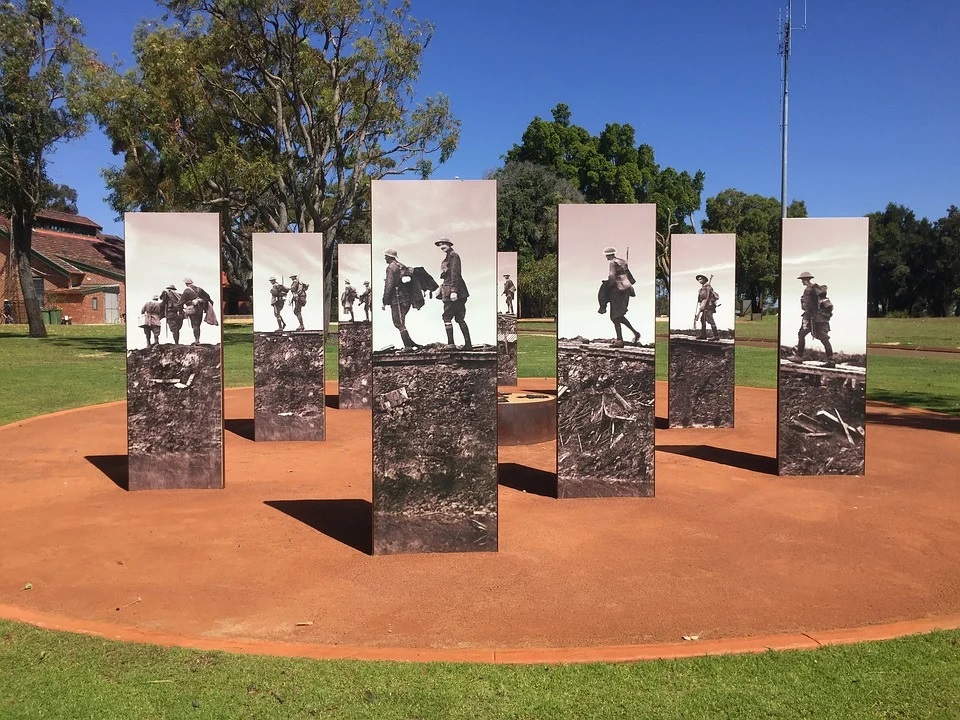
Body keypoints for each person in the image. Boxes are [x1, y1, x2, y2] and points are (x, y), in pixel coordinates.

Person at [789, 271, 835, 368]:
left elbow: (808, 307)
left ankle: (799, 357)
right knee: (824, 339)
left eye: (802, 280)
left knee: (801, 334)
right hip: (820, 318)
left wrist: (806, 320)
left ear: (804, 279)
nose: (801, 282)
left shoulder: (808, 290)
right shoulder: (816, 289)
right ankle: (831, 360)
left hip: (812, 318)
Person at [597, 246, 640, 347]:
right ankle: (635, 333)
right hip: (626, 291)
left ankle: (620, 341)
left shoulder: (613, 263)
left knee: (614, 317)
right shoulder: (622, 261)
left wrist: (605, 286)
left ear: (609, 255)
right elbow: (631, 278)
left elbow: (612, 278)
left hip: (618, 292)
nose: (606, 257)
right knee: (619, 316)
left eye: (606, 255)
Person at [381, 248, 423, 350]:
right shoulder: (401, 266)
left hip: (397, 298)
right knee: (401, 322)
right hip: (407, 298)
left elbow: (389, 285)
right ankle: (411, 343)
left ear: (389, 257)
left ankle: (408, 346)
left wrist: (385, 301)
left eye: (386, 256)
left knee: (398, 323)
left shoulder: (391, 267)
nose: (384, 258)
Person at [436, 237, 472, 350]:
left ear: (449, 244)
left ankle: (451, 344)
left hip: (455, 292)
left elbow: (455, 274)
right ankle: (468, 345)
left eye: (444, 244)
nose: (442, 246)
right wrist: (439, 288)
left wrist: (453, 291)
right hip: (454, 291)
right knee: (459, 318)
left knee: (446, 317)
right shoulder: (447, 257)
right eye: (440, 245)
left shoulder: (453, 256)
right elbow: (447, 277)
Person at [179, 278, 213, 345]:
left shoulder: (187, 291)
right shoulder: (199, 289)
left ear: (186, 284)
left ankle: (197, 340)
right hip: (200, 309)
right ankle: (197, 339)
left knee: (194, 325)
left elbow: (181, 302)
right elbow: (208, 297)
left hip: (192, 309)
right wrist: (202, 301)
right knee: (198, 325)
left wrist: (180, 310)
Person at [694, 274, 720, 340]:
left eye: (701, 279)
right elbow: (702, 298)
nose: (699, 280)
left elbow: (707, 297)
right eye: (698, 279)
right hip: (704, 306)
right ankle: (703, 335)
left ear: (704, 279)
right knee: (703, 319)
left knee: (710, 319)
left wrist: (705, 304)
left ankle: (716, 335)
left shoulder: (707, 287)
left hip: (709, 306)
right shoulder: (702, 288)